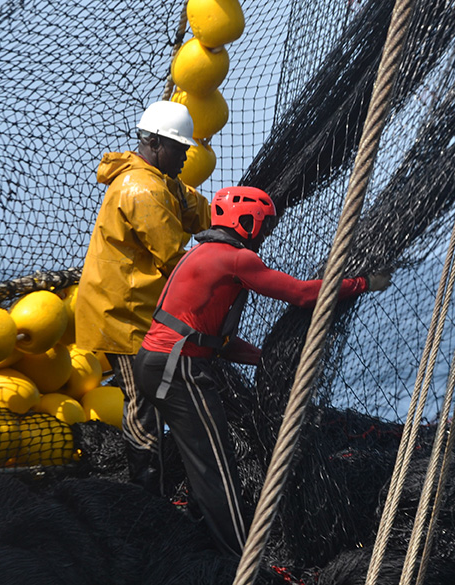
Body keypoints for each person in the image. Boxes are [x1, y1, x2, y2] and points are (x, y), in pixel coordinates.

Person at [133, 185, 391, 556]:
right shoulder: (235, 259)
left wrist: (262, 359)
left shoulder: (201, 253)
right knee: (216, 468)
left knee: (194, 458)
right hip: (180, 369)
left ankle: (191, 536)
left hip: (156, 362)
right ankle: (241, 559)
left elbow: (207, 338)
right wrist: (362, 284)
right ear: (247, 221)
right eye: (265, 224)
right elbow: (304, 294)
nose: (267, 232)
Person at [74, 100, 210, 492]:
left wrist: (229, 215)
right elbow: (171, 257)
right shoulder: (142, 189)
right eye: (180, 148)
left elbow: (194, 208)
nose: (186, 156)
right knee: (142, 399)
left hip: (140, 309)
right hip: (121, 314)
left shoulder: (161, 180)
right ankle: (145, 489)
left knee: (154, 397)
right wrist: (224, 272)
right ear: (153, 142)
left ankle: (155, 484)